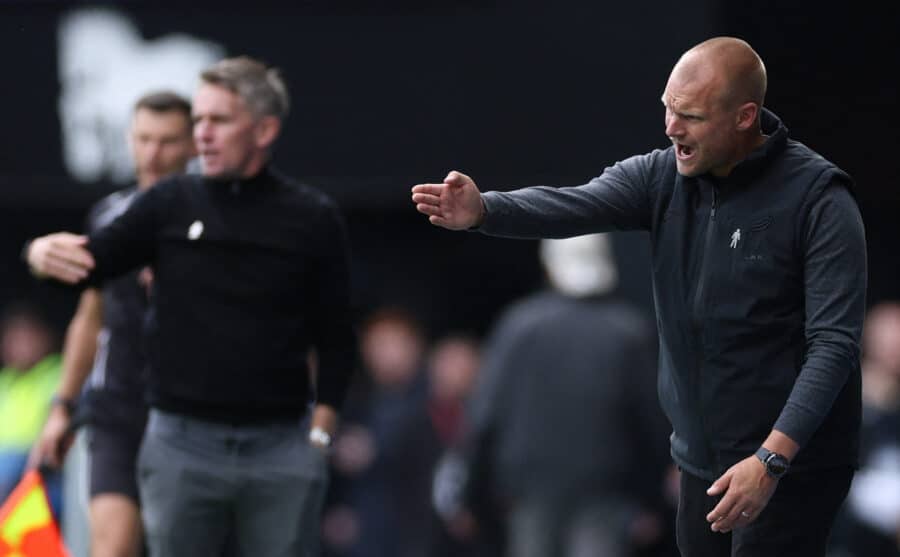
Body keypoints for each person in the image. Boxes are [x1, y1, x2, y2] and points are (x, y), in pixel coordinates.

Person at [411, 36, 866, 557]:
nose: (671, 128)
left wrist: (771, 458)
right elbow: (574, 205)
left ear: (745, 117)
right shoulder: (660, 176)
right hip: (703, 464)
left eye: (690, 116)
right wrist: (485, 211)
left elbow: (834, 345)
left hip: (791, 464)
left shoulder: (820, 199)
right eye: (668, 109)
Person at [25, 56, 356, 557]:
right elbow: (90, 271)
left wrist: (320, 440)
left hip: (277, 442)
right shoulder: (166, 205)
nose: (203, 134)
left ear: (264, 129)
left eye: (217, 121)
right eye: (199, 120)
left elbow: (335, 334)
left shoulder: (311, 217)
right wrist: (37, 254)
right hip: (172, 434)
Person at [26, 90, 195, 557]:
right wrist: (62, 406)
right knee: (112, 547)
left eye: (167, 141)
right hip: (117, 410)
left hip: (190, 416)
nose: (153, 153)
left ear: (194, 144)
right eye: (143, 139)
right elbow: (89, 317)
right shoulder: (108, 216)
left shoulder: (212, 220)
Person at [436, 234, 671, 557]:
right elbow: (652, 424)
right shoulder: (627, 332)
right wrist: (652, 501)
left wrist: (470, 496)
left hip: (530, 492)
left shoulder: (519, 326)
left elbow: (485, 417)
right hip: (605, 491)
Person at [0, 304, 62, 513]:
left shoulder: (58, 374)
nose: (20, 346)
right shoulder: (5, 381)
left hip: (40, 470)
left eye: (26, 337)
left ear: (44, 337)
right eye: (13, 339)